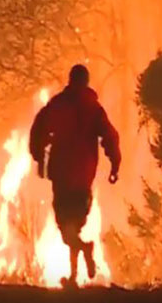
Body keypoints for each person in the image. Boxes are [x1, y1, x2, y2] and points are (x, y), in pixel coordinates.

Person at [29, 64, 121, 286]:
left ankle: (83, 252)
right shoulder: (94, 108)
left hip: (62, 176)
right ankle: (73, 276)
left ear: (70, 80)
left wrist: (39, 157)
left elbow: (38, 129)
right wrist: (115, 163)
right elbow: (110, 135)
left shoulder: (58, 105)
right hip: (83, 177)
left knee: (66, 229)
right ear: (86, 82)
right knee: (75, 226)